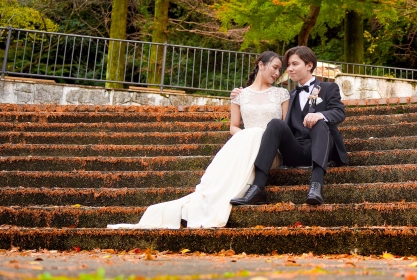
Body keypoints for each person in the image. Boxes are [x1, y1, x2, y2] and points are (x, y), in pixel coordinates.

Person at [107, 51, 289, 229]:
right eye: (274, 67)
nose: (277, 73)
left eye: (280, 70)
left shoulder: (282, 94)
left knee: (258, 133)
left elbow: (283, 128)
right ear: (260, 65)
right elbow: (233, 127)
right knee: (251, 134)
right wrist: (248, 135)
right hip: (245, 145)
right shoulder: (240, 95)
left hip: (271, 153)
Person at [229, 46, 348, 207]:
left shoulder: (328, 88)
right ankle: (257, 188)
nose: (289, 69)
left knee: (320, 123)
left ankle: (316, 185)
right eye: (288, 65)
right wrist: (241, 95)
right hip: (296, 150)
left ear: (309, 65)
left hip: (323, 147)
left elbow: (339, 112)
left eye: (294, 64)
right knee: (275, 124)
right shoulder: (287, 95)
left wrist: (320, 115)